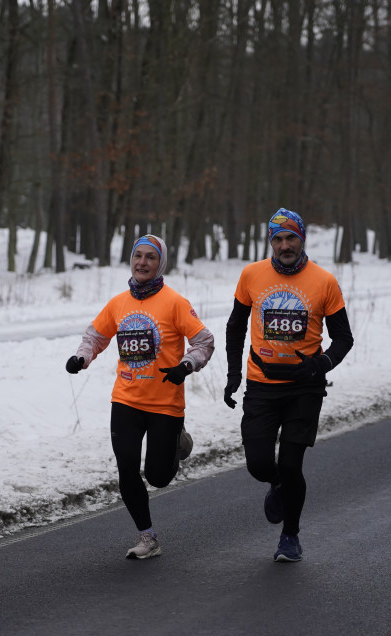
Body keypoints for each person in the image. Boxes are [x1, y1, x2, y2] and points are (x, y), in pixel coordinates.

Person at [66, 235, 214, 560]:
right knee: (127, 468)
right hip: (126, 400)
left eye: (150, 257)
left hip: (165, 403)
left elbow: (204, 341)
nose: (142, 262)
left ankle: (178, 441)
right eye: (138, 256)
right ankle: (147, 537)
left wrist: (186, 365)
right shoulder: (119, 303)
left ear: (159, 264)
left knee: (158, 477)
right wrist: (82, 357)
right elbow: (96, 335)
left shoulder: (175, 302)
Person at [223, 208, 354, 563]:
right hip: (262, 384)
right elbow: (235, 327)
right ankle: (276, 483)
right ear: (271, 242)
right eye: (278, 239)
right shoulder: (252, 275)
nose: (284, 245)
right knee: (258, 463)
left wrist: (322, 364)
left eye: (291, 237)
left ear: (302, 239)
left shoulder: (324, 281)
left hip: (304, 387)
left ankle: (290, 536)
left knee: (293, 464)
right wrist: (234, 375)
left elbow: (343, 338)